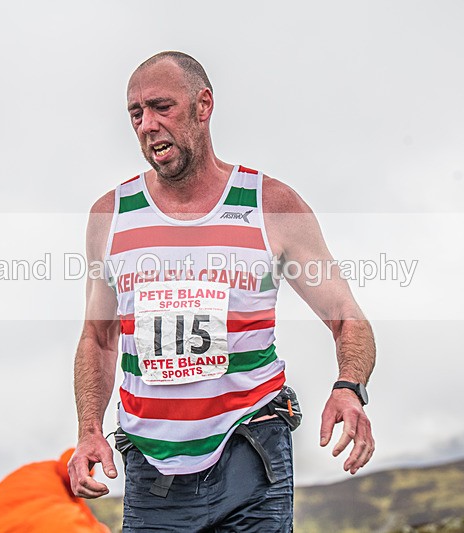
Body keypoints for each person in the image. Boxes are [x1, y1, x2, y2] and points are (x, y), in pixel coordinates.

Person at [68, 51, 376, 532]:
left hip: (252, 448)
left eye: (161, 107)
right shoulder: (110, 215)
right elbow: (98, 337)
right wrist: (89, 429)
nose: (147, 124)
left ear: (203, 105)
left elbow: (346, 315)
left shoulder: (269, 205)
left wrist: (349, 387)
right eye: (136, 113)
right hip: (152, 467)